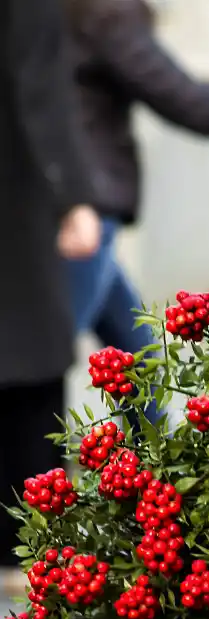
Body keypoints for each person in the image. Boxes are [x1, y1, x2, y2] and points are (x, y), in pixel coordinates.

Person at [63, 0, 209, 426]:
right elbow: (183, 99)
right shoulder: (101, 11)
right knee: (39, 364)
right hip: (86, 212)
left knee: (137, 353)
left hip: (75, 205)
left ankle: (151, 457)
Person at [0, 0, 102, 568]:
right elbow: (40, 87)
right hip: (17, 202)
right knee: (31, 362)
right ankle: (34, 549)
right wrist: (74, 196)